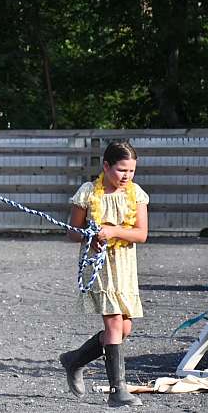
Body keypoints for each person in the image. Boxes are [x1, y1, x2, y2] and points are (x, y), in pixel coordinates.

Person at [60, 141, 149, 407]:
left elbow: (141, 234)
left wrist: (113, 231)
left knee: (125, 328)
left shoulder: (136, 194)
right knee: (113, 326)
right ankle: (117, 391)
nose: (126, 176)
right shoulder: (88, 192)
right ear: (106, 166)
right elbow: (71, 231)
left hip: (124, 267)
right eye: (122, 170)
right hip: (100, 267)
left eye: (131, 171)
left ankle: (74, 360)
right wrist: (90, 237)